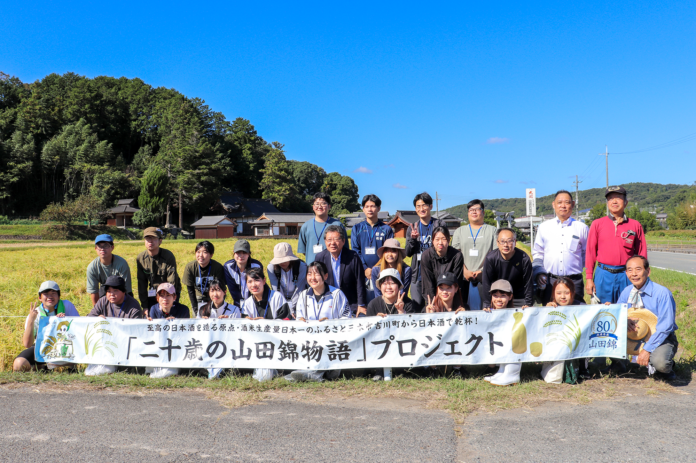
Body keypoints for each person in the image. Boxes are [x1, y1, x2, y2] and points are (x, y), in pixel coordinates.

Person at [617, 256, 678, 380]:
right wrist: (622, 318)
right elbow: (618, 314)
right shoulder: (626, 291)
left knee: (660, 363)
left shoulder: (662, 293)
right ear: (626, 273)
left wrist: (647, 350)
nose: (634, 274)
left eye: (638, 269)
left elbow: (665, 327)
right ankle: (618, 365)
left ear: (648, 271)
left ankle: (665, 365)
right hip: (633, 335)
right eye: (630, 270)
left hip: (661, 337)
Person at [289, 261, 351, 382]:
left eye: (317, 274)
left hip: (331, 342)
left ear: (325, 276)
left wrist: (331, 323)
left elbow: (347, 318)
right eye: (309, 274)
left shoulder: (337, 294)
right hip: (310, 343)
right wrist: (301, 321)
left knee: (330, 362)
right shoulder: (303, 295)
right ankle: (317, 374)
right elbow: (298, 319)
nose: (312, 278)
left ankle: (313, 374)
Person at [585, 185, 647, 304]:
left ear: (625, 202)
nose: (614, 201)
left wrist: (642, 277)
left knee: (629, 311)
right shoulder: (597, 224)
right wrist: (589, 278)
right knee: (603, 313)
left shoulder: (635, 225)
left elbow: (642, 254)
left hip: (626, 275)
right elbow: (590, 253)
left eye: (618, 198)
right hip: (603, 274)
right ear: (607, 203)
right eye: (610, 198)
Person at [532, 191, 589, 305]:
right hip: (550, 280)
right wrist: (539, 273)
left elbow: (586, 254)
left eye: (567, 202)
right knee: (551, 316)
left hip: (574, 280)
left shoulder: (582, 228)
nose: (563, 205)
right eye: (559, 202)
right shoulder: (544, 227)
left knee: (575, 315)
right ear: (554, 204)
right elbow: (538, 253)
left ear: (572, 204)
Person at [13, 281, 80, 372]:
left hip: (63, 345)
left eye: (53, 293)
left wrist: (64, 321)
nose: (50, 297)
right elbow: (27, 344)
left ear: (59, 296)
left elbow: (78, 330)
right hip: (41, 347)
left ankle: (71, 368)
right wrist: (31, 320)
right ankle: (41, 368)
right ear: (40, 298)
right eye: (46, 294)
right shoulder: (35, 313)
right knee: (19, 364)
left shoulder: (66, 305)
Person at [85, 276, 143, 376]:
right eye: (108, 291)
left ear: (124, 291)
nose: (111, 294)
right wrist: (97, 319)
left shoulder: (134, 306)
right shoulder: (103, 301)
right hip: (105, 346)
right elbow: (89, 319)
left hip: (125, 347)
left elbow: (136, 331)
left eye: (115, 290)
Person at [405, 192, 447, 313]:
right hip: (417, 274)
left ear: (430, 206)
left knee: (437, 307)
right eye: (418, 206)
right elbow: (408, 253)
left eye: (424, 205)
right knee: (417, 307)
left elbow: (444, 247)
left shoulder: (439, 224)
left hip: (436, 272)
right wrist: (413, 239)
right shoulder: (412, 227)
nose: (421, 209)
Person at [452, 200, 498, 310]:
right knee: (464, 311)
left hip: (485, 279)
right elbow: (454, 255)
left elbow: (496, 255)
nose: (474, 212)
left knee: (485, 311)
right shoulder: (459, 231)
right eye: (471, 210)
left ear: (483, 212)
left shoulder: (493, 231)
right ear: (468, 213)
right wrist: (464, 271)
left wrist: (483, 272)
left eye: (477, 209)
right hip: (463, 279)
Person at [422, 272, 468, 379]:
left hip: (455, 346)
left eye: (448, 288)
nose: (444, 292)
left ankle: (457, 369)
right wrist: (429, 316)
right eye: (441, 288)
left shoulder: (463, 308)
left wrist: (465, 317)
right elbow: (422, 332)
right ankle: (432, 369)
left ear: (456, 289)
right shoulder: (430, 308)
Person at [314, 225, 366, 316]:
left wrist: (361, 304)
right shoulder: (320, 257)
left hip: (350, 302)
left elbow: (360, 281)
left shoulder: (353, 256)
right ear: (325, 242)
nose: (332, 243)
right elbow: (317, 282)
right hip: (327, 303)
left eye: (336, 239)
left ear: (343, 241)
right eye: (329, 240)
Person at [351, 194, 394, 302]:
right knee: (363, 301)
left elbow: (388, 252)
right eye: (367, 206)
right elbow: (355, 250)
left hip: (382, 270)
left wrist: (375, 268)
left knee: (381, 300)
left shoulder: (386, 229)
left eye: (373, 206)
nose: (370, 209)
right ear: (363, 209)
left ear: (379, 208)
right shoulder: (357, 228)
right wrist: (365, 268)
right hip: (362, 271)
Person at [483, 280, 525, 386]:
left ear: (510, 297)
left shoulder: (517, 312)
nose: (498, 299)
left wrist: (527, 311)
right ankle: (502, 371)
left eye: (503, 295)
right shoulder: (488, 312)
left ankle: (512, 373)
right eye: (495, 295)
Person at [198, 278, 241, 379]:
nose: (215, 294)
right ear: (209, 293)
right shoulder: (202, 308)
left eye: (218, 290)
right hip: (207, 346)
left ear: (225, 292)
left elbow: (237, 334)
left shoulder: (234, 309)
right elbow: (197, 333)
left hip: (227, 347)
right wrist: (202, 324)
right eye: (212, 290)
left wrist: (227, 323)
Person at [481, 228, 533, 309]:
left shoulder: (523, 258)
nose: (505, 245)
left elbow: (528, 283)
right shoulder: (491, 258)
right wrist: (487, 304)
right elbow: (486, 283)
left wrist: (528, 304)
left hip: (518, 297)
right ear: (497, 243)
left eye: (509, 241)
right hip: (498, 296)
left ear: (515, 242)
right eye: (502, 241)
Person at [541, 277, 580, 383]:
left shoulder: (581, 307)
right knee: (553, 379)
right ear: (553, 294)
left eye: (567, 293)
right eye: (559, 293)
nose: (563, 296)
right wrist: (546, 311)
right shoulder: (550, 307)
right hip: (556, 350)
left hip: (577, 349)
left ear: (573, 293)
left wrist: (605, 308)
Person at [136, 227, 180, 316]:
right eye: (147, 238)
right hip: (152, 293)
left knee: (168, 317)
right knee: (150, 318)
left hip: (169, 293)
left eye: (154, 238)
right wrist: (144, 306)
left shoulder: (168, 256)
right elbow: (142, 284)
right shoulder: (140, 258)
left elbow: (172, 282)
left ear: (160, 241)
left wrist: (166, 302)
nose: (150, 241)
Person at [421, 226, 466, 310]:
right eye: (437, 239)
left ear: (449, 240)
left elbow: (457, 282)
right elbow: (428, 283)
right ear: (433, 241)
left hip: (451, 296)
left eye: (444, 239)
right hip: (435, 298)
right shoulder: (426, 256)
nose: (440, 242)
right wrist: (433, 304)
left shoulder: (457, 256)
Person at [297, 192, 348, 264]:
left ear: (329, 206)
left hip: (334, 268)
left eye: (323, 203)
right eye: (317, 204)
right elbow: (304, 251)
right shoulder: (306, 226)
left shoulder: (337, 225)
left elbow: (344, 248)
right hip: (313, 270)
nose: (320, 206)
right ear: (313, 207)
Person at [182, 241, 227, 316]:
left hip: (214, 297)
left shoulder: (217, 267)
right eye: (198, 252)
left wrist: (218, 307)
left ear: (211, 255)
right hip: (198, 298)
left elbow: (221, 289)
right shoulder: (190, 267)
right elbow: (190, 290)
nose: (200, 255)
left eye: (205, 252)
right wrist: (196, 309)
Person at [86, 234, 132, 306]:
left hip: (120, 292)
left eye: (106, 245)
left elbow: (126, 290)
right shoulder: (92, 267)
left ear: (112, 247)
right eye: (99, 246)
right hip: (104, 291)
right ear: (95, 249)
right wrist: (97, 311)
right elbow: (94, 292)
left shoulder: (122, 264)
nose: (102, 249)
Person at [267, 242, 307, 317]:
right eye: (279, 260)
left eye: (285, 260)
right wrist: (285, 307)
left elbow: (300, 289)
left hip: (299, 300)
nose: (282, 263)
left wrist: (292, 308)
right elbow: (276, 290)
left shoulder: (301, 266)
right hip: (280, 300)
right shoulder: (271, 268)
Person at [223, 239, 262, 307]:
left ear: (249, 253)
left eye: (244, 252)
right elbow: (233, 290)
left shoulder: (256, 266)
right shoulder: (228, 267)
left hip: (256, 303)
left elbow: (259, 287)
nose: (241, 256)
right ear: (234, 253)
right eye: (238, 253)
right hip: (237, 304)